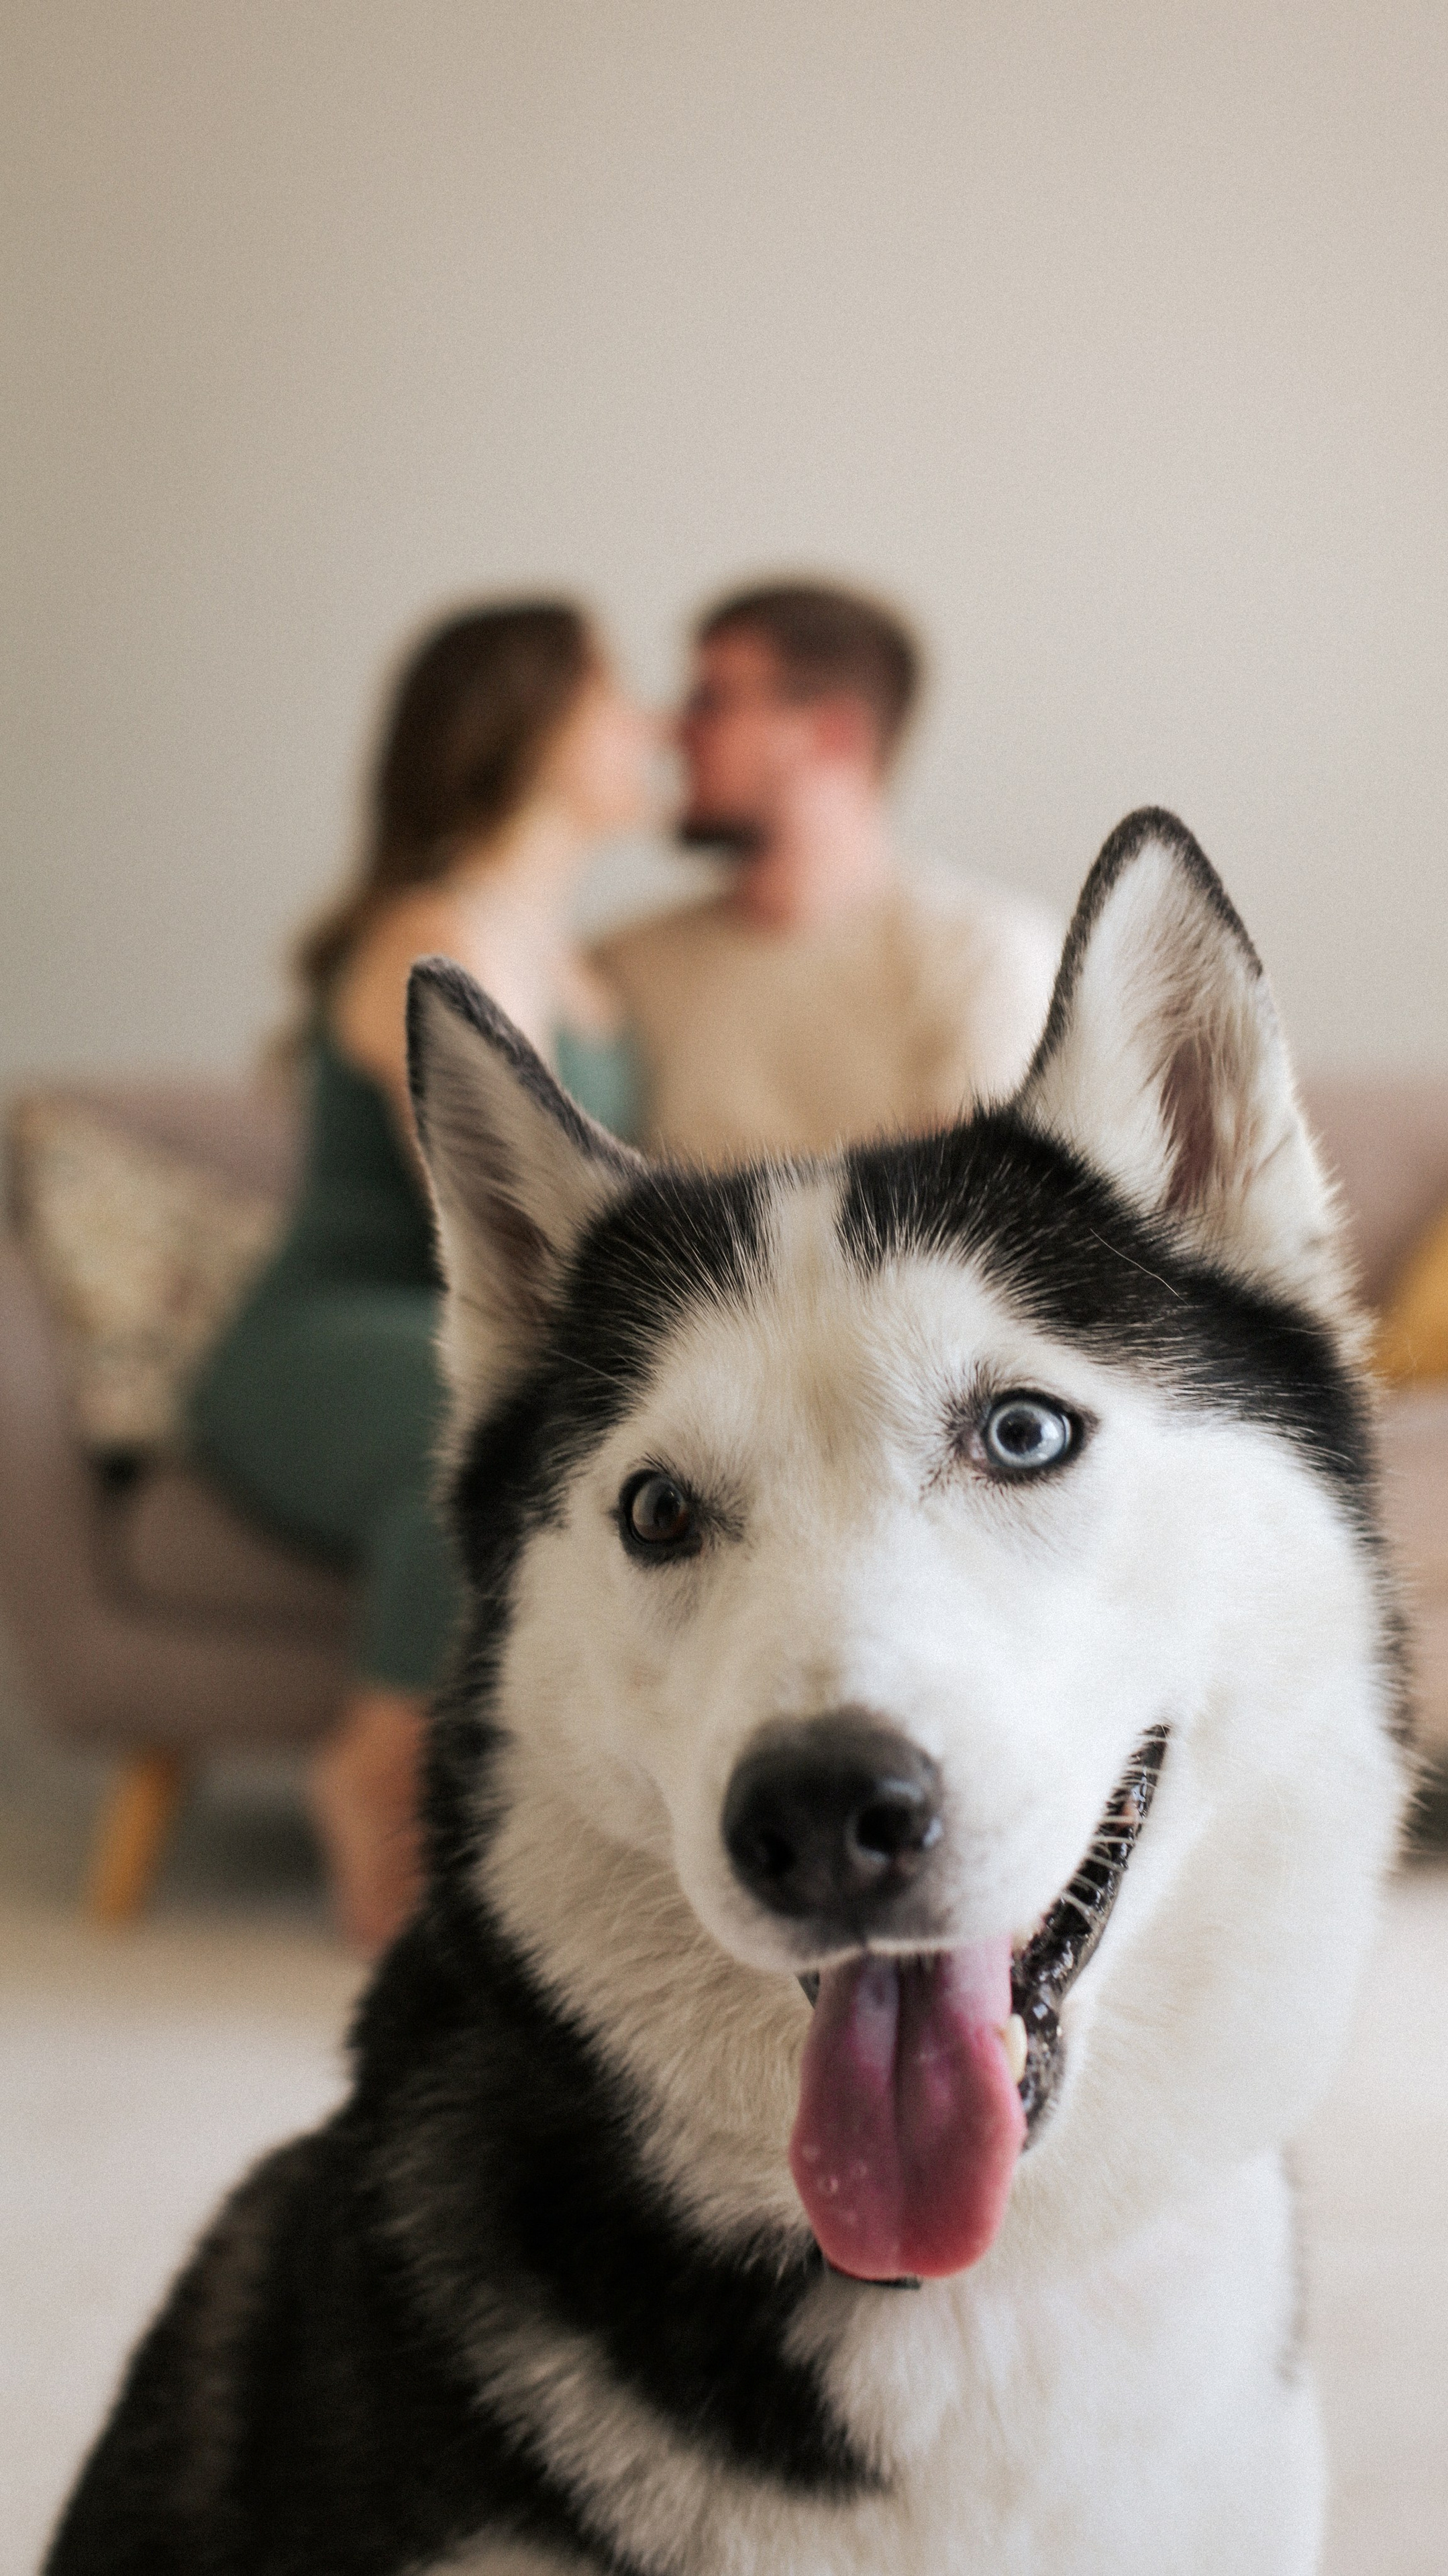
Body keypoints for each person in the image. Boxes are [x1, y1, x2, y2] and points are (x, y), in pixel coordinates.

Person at [190, 601, 654, 1950]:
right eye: (612, 698)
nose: (648, 727)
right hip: (321, 1343)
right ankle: (370, 1771)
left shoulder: (580, 960)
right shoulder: (430, 941)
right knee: (488, 1420)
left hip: (437, 1334)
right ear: (529, 730)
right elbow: (507, 1219)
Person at [593, 581, 1060, 1162]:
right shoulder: (621, 967)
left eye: (712, 701)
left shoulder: (986, 955)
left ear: (833, 734)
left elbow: (971, 1203)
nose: (674, 731)